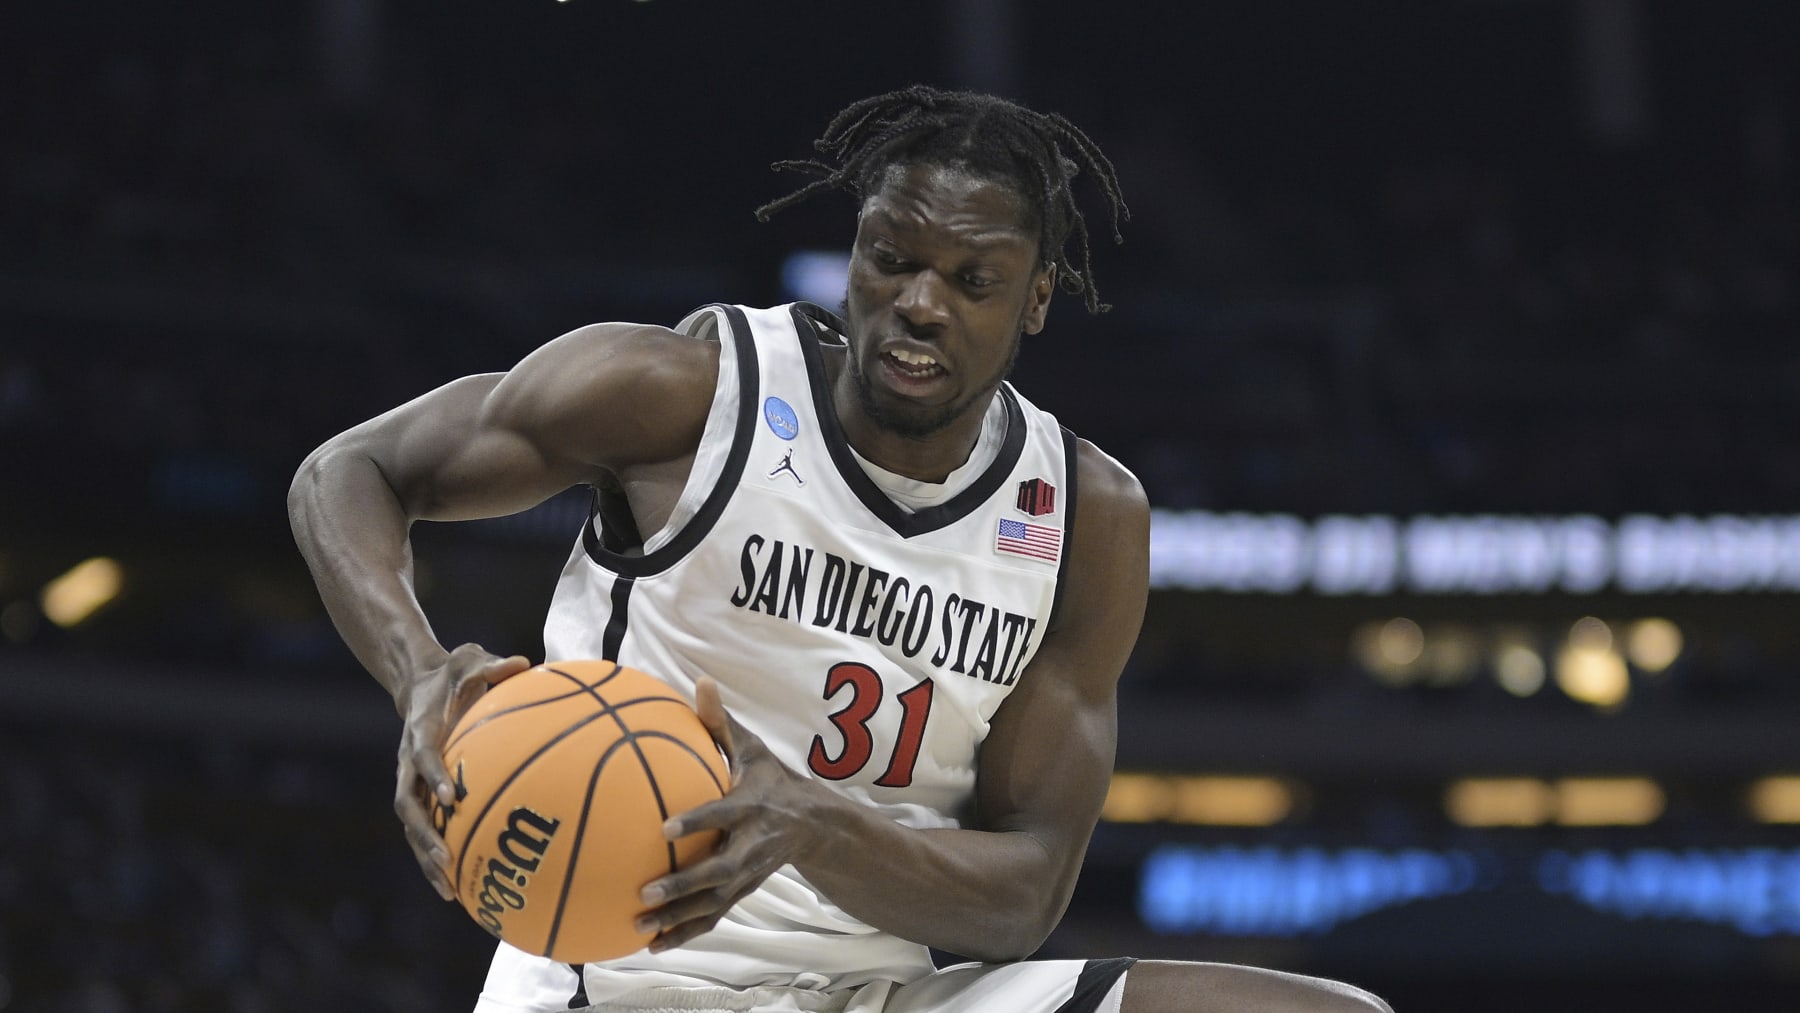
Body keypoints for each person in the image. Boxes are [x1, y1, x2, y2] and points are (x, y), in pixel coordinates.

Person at [289, 86, 1392, 1013]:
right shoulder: (690, 395)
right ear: (856, 255)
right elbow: (348, 471)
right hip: (621, 978)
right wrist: (419, 670)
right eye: (891, 260)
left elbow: (1020, 898)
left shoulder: (1088, 518)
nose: (919, 303)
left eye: (972, 280)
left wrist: (815, 826)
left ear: (1037, 299)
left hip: (876, 990)